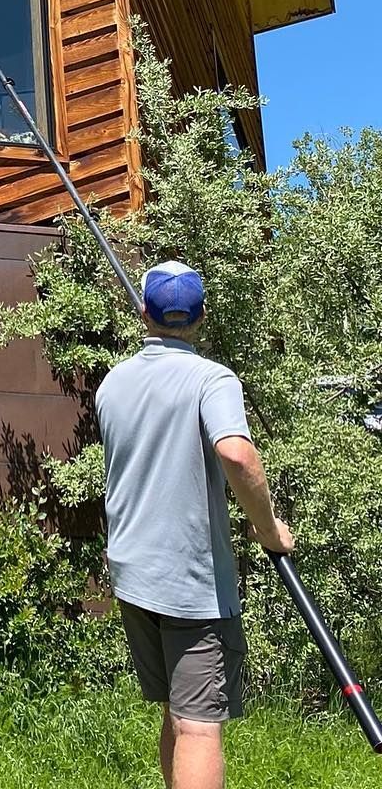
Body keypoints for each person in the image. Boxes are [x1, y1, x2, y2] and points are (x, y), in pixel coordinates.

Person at [95, 260, 293, 789]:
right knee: (199, 728)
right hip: (191, 584)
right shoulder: (212, 379)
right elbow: (236, 454)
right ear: (201, 316)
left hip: (134, 575)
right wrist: (269, 527)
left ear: (144, 313)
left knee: (176, 715)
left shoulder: (113, 384)